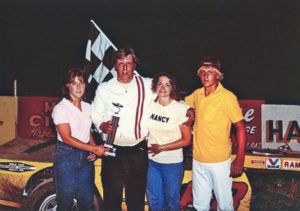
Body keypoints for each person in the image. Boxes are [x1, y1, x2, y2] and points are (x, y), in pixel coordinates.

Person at [91, 48, 155, 211]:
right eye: (121, 64)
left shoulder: (147, 85)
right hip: (112, 150)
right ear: (115, 66)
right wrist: (101, 125)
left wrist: (187, 109)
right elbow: (95, 113)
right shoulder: (104, 88)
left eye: (128, 63)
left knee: (136, 199)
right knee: (112, 198)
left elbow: (169, 95)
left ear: (135, 65)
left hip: (137, 150)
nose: (125, 68)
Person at [185, 57, 246, 211]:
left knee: (224, 205)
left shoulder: (227, 97)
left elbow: (240, 127)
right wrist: (190, 111)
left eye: (210, 72)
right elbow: (180, 104)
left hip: (219, 161)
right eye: (202, 72)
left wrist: (240, 158)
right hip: (198, 159)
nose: (206, 76)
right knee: (200, 205)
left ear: (219, 76)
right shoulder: (197, 94)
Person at [52, 68, 106, 211]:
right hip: (66, 156)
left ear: (85, 85)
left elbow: (87, 130)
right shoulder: (60, 108)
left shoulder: (88, 107)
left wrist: (93, 147)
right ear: (67, 86)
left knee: (86, 199)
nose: (78, 86)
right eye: (73, 83)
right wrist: (94, 148)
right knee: (65, 200)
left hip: (86, 158)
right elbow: (67, 138)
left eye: (81, 82)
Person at [146, 72, 192, 211]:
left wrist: (161, 147)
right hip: (151, 162)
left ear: (173, 87)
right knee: (154, 200)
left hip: (172, 164)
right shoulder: (148, 105)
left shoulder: (180, 109)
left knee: (172, 200)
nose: (163, 87)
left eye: (167, 84)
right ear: (155, 86)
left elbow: (186, 140)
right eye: (160, 83)